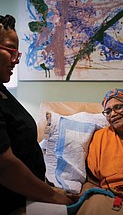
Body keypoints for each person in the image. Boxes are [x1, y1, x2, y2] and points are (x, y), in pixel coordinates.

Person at [0, 14, 78, 214]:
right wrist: (52, 196)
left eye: (18, 52)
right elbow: (5, 166)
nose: (16, 60)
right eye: (10, 50)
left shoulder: (2, 90)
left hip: (29, 197)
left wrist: (49, 189)